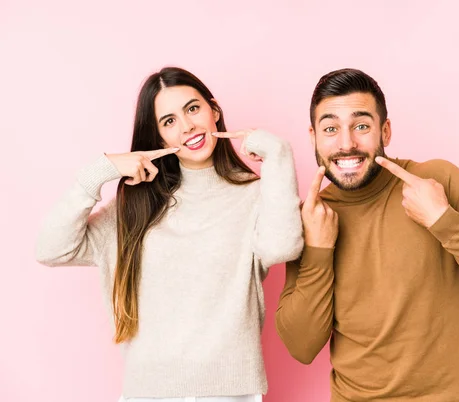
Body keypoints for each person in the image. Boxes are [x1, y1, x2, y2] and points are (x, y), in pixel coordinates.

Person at [35, 66, 303, 402]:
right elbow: (51, 249)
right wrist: (100, 171)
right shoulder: (135, 204)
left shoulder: (255, 194)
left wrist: (279, 155)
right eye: (169, 121)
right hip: (149, 393)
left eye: (193, 109)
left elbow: (282, 248)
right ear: (159, 137)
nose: (187, 125)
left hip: (231, 392)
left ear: (214, 111)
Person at [275, 68, 459, 402]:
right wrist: (319, 250)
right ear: (313, 137)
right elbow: (301, 346)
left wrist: (443, 220)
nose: (346, 143)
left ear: (385, 130)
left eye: (361, 126)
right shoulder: (311, 216)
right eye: (330, 129)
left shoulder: (435, 180)